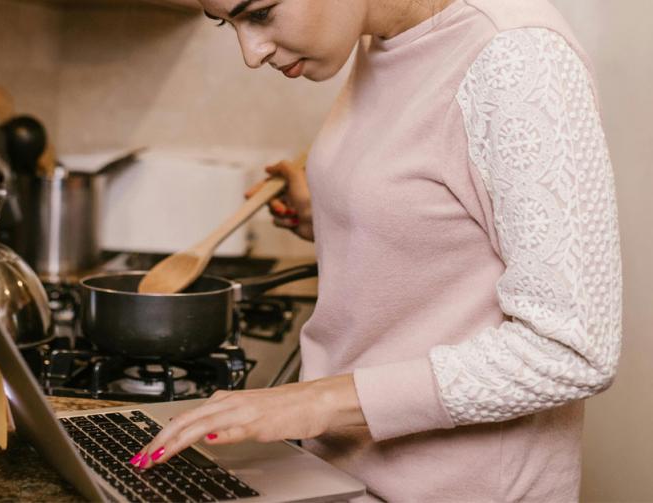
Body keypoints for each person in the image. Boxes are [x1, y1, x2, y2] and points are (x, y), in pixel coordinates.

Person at [130, 0, 623, 500]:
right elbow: (448, 220)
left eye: (258, 12)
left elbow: (570, 350)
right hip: (342, 477)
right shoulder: (376, 32)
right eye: (227, 22)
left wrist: (312, 402)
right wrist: (336, 214)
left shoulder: (517, 55)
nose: (251, 53)